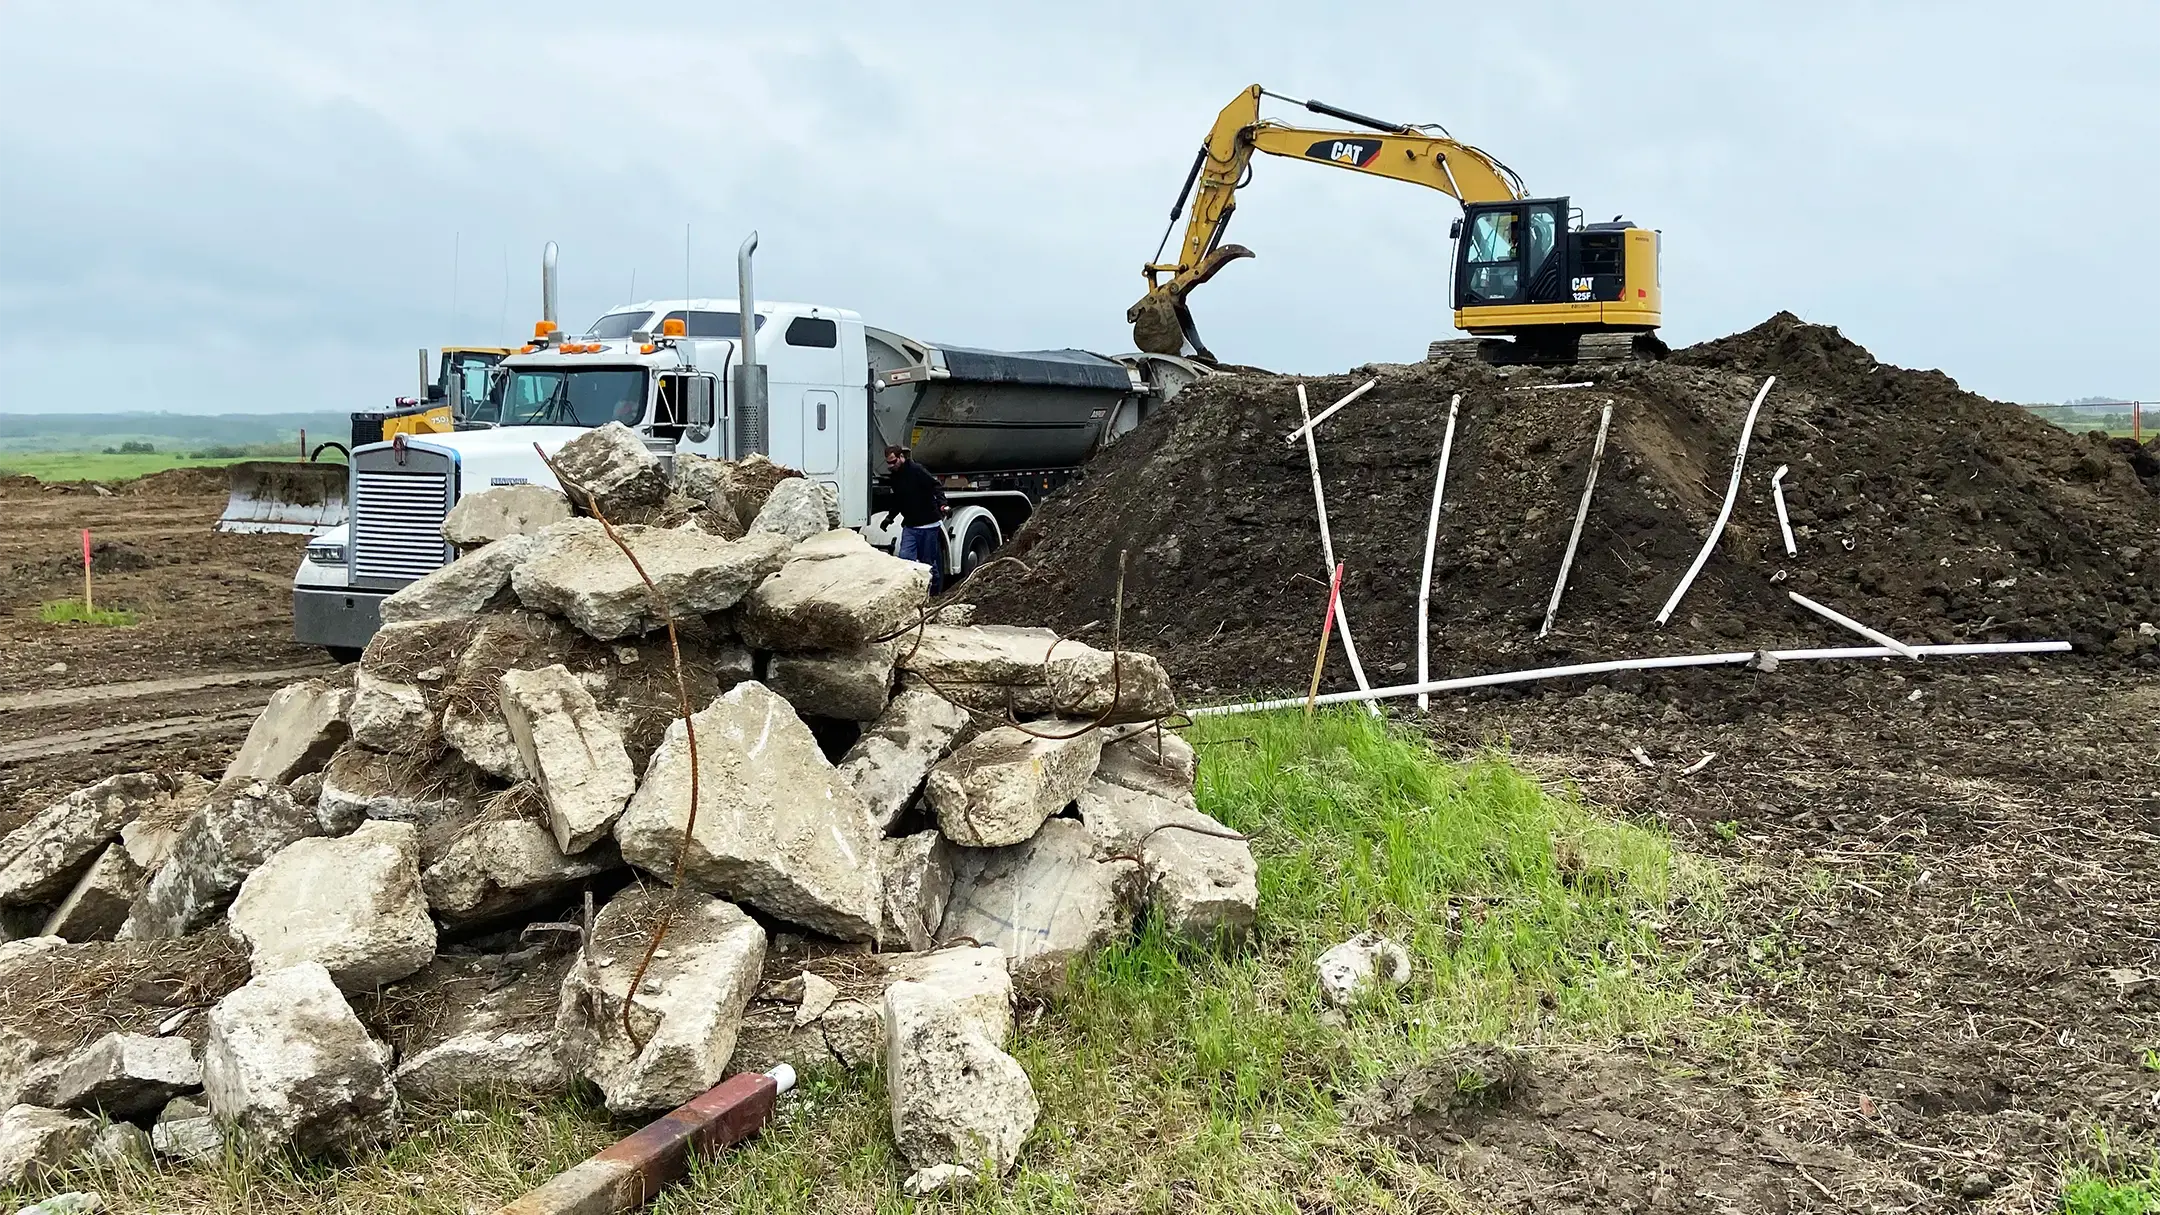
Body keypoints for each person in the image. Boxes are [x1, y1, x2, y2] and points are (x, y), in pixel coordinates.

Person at [880, 444, 949, 592]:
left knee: (927, 564)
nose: (891, 466)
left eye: (893, 462)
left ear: (901, 457)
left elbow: (935, 485)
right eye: (888, 463)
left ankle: (935, 594)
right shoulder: (895, 477)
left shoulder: (916, 470)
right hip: (910, 526)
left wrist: (943, 504)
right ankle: (912, 595)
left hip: (929, 525)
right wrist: (889, 518)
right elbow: (899, 500)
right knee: (905, 560)